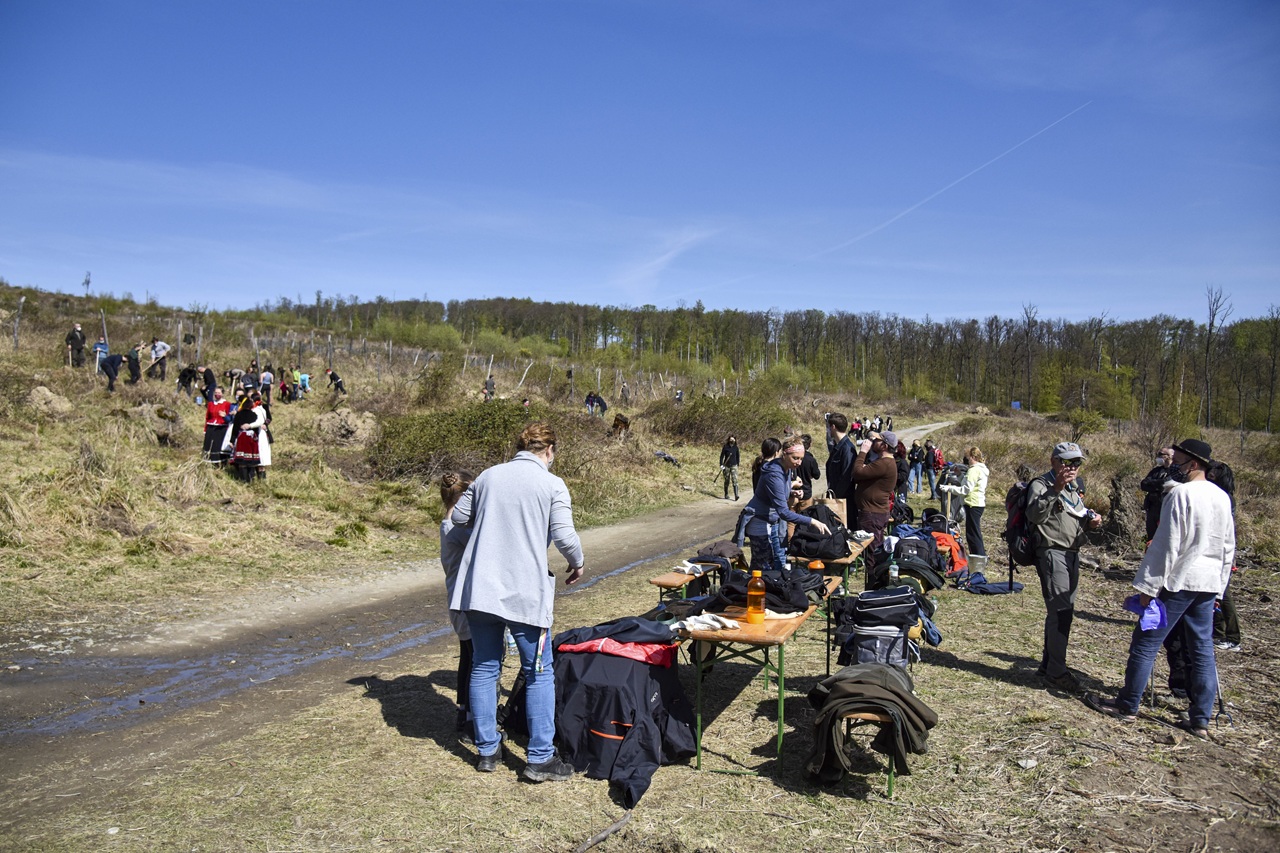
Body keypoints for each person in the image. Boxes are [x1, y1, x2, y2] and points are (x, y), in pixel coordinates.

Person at [450, 422, 585, 781]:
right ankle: (540, 758)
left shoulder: (488, 476)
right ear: (549, 451)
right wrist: (578, 562)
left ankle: (487, 749)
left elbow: (459, 516)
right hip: (525, 592)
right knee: (538, 671)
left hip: (480, 589)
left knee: (484, 666)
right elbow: (564, 536)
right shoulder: (552, 484)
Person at [1085, 439, 1234, 740]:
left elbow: (1166, 545)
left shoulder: (1180, 494)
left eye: (1178, 462)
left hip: (1179, 581)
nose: (1173, 467)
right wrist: (1219, 588)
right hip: (1207, 583)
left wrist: (1148, 588)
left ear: (1194, 464)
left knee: (1145, 643)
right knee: (1202, 649)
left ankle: (1127, 705)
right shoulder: (1221, 497)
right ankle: (1200, 719)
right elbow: (1228, 547)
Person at [1026, 442, 1103, 691]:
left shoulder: (1074, 488)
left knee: (1062, 612)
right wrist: (1055, 489)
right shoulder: (1041, 485)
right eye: (1066, 462)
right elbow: (1035, 516)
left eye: (1076, 462)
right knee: (1061, 612)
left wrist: (1091, 523)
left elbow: (1072, 517)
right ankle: (1057, 673)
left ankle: (1048, 666)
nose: (1072, 467)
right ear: (1053, 461)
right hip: (1052, 552)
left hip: (1072, 554)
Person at [742, 435, 829, 572]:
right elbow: (783, 512)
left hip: (772, 520)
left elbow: (779, 493)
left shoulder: (787, 469)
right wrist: (812, 521)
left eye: (801, 458)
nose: (799, 462)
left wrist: (792, 493)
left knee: (775, 563)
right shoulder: (774, 474)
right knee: (762, 567)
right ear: (784, 454)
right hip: (759, 521)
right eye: (795, 458)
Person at [439, 469, 478, 740]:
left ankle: (464, 713)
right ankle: (472, 719)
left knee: (468, 656)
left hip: (458, 601)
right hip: (465, 602)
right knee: (478, 660)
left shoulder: (448, 524)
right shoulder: (457, 528)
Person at [850, 430, 898, 548]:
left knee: (871, 549)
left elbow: (857, 473)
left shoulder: (884, 463)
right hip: (874, 513)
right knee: (873, 547)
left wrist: (863, 452)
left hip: (872, 514)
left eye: (877, 440)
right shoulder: (884, 463)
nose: (873, 441)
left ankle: (872, 562)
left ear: (884, 446)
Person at [1140, 448, 1177, 541]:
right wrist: (1159, 484)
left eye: (1162, 454)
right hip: (1152, 508)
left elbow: (1168, 484)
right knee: (1151, 537)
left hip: (1166, 508)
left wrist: (1154, 484)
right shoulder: (1156, 471)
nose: (1159, 456)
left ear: (1170, 456)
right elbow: (1144, 484)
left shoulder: (1176, 472)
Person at [962, 447, 989, 557]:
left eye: (968, 457)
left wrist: (949, 488)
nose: (967, 460)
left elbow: (966, 488)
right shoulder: (981, 469)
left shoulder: (974, 470)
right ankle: (978, 556)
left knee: (973, 534)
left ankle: (979, 557)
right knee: (974, 532)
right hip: (978, 503)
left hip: (973, 503)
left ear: (973, 457)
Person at [824, 413, 856, 501]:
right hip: (835, 497)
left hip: (843, 501)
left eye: (828, 427)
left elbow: (847, 478)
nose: (827, 430)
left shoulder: (847, 448)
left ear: (833, 427)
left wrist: (835, 498)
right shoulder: (836, 447)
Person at [202, 388, 232, 463]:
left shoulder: (227, 404)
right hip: (211, 426)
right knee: (208, 444)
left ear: (222, 394)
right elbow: (207, 417)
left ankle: (219, 461)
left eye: (219, 393)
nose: (217, 394)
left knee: (217, 445)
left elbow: (229, 418)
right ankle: (208, 460)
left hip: (221, 427)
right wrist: (205, 429)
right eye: (215, 392)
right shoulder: (211, 404)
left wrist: (224, 416)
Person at [796, 434, 821, 506]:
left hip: (792, 492)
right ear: (810, 445)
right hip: (806, 492)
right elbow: (817, 475)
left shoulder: (793, 457)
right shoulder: (810, 460)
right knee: (806, 512)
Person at [719, 435, 740, 501]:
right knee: (727, 480)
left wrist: (737, 464)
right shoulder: (725, 447)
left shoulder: (736, 447)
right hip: (726, 466)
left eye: (733, 439)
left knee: (735, 480)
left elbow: (738, 456)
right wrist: (721, 464)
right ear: (728, 440)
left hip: (734, 466)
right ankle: (726, 494)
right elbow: (721, 456)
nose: (732, 440)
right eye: (731, 439)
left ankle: (736, 495)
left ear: (735, 440)